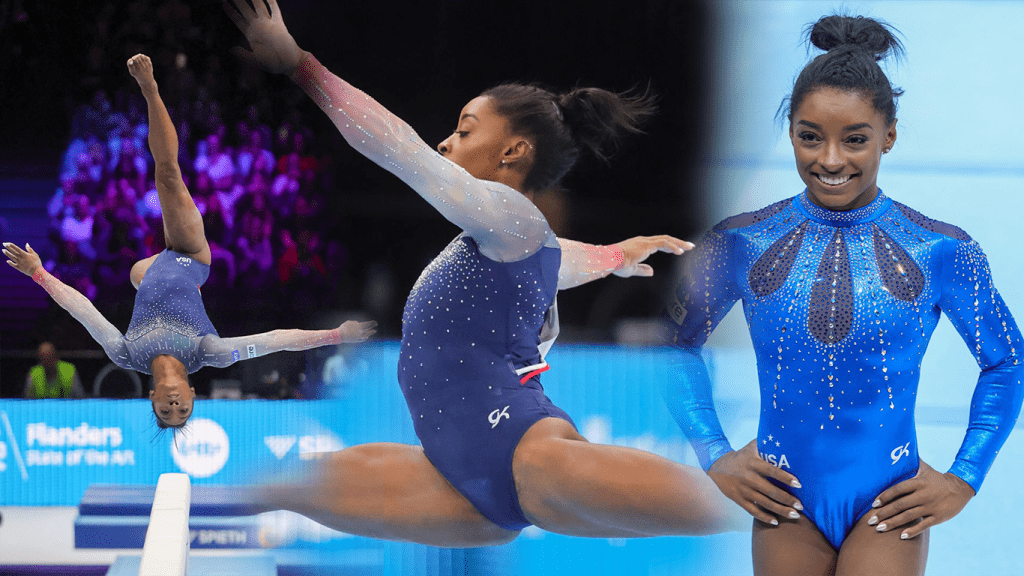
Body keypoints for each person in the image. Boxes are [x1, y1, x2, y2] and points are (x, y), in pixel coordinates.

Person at [225, 0, 742, 548]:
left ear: (513, 152)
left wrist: (300, 66)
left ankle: (812, 516)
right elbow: (556, 262)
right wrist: (613, 256)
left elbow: (402, 151)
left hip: (521, 448)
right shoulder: (507, 241)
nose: (447, 142)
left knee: (741, 517)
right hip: (463, 486)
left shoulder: (513, 217)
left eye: (465, 130)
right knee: (269, 489)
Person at [663, 15, 1024, 576]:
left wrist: (964, 478)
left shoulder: (939, 249)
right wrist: (715, 453)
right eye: (811, 136)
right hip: (786, 499)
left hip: (888, 502)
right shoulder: (742, 242)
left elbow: (1006, 362)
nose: (830, 160)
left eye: (855, 139)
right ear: (791, 132)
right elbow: (672, 347)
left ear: (890, 135)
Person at [3, 54, 375, 432]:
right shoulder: (209, 353)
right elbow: (275, 340)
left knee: (137, 274)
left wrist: (39, 274)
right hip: (188, 257)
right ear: (194, 393)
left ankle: (149, 266)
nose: (175, 407)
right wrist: (336, 334)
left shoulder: (126, 354)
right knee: (166, 176)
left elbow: (83, 310)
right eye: (183, 411)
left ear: (153, 399)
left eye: (166, 412)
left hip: (148, 273)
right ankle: (151, 90)